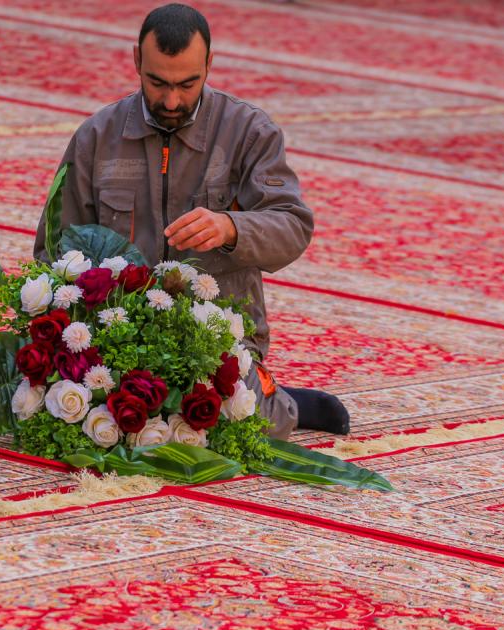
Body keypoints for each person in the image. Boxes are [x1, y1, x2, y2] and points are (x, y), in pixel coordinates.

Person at [34, 2, 349, 438]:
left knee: (225, 424)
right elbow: (54, 247)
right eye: (157, 82)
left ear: (210, 65)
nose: (171, 100)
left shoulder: (249, 132)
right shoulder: (97, 137)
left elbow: (294, 225)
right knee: (73, 414)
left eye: (188, 83)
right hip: (122, 335)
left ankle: (275, 398)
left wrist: (231, 228)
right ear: (136, 61)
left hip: (216, 336)